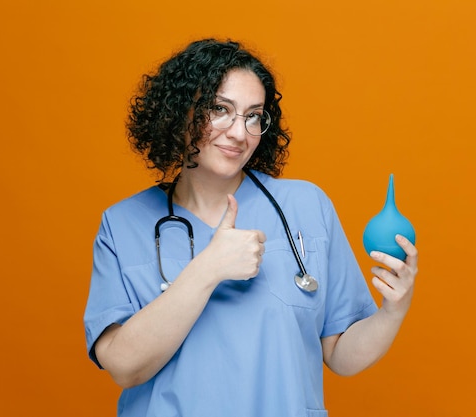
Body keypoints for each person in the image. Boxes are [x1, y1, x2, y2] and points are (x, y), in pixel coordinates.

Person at [83, 38, 418, 417]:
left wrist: (392, 310)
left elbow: (341, 355)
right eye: (220, 109)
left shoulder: (305, 207)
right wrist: (208, 268)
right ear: (179, 113)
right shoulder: (123, 224)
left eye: (253, 116)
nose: (240, 133)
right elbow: (124, 366)